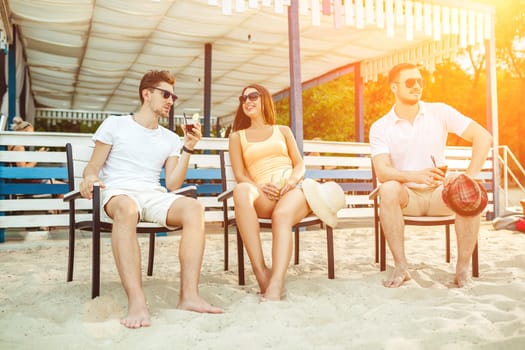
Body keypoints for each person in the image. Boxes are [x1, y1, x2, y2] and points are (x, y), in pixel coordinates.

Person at [79, 70, 222, 329]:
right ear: (147, 94)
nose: (171, 100)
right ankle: (137, 301)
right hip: (118, 193)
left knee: (194, 209)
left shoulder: (169, 138)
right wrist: (89, 178)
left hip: (153, 195)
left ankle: (189, 295)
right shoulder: (115, 124)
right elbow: (92, 167)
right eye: (166, 94)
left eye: (173, 96)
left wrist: (188, 146)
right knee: (128, 208)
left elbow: (172, 184)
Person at [369, 63, 493, 288]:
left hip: (440, 195)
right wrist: (415, 175)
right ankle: (401, 267)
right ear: (394, 88)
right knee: (387, 188)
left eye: (420, 81)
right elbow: (382, 171)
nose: (417, 86)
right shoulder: (380, 127)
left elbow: (483, 136)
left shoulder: (440, 111)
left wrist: (471, 176)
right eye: (409, 82)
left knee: (469, 193)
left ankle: (462, 270)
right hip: (407, 197)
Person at [228, 83, 314, 301]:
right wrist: (259, 187)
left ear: (264, 99)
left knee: (282, 215)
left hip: (292, 190)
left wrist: (292, 182)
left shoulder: (283, 131)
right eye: (243, 98)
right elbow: (240, 175)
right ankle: (261, 273)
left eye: (253, 96)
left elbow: (299, 165)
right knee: (240, 191)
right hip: (263, 194)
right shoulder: (237, 137)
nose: (247, 101)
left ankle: (275, 284)